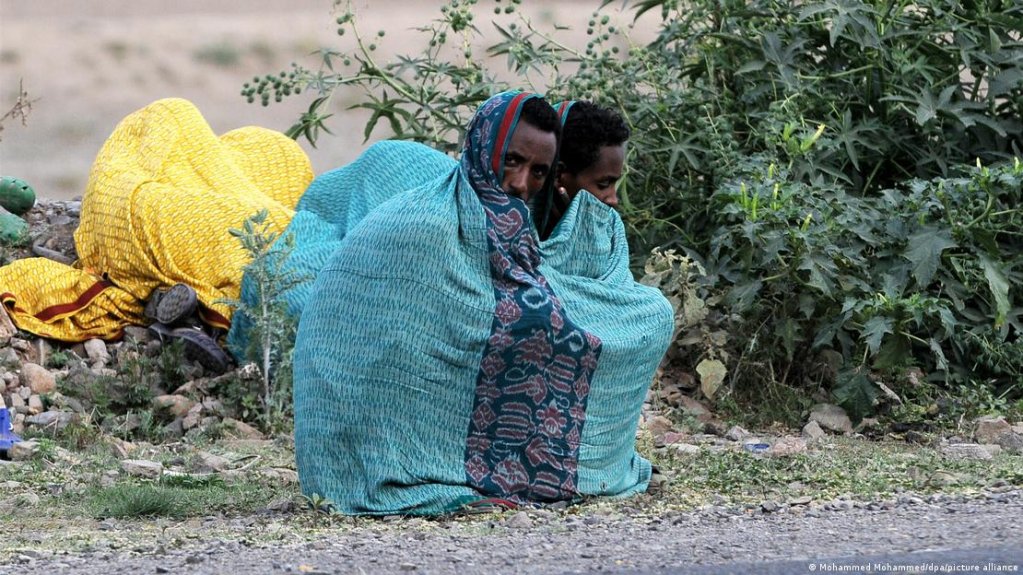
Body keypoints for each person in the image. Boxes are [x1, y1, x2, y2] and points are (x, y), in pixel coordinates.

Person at [291, 91, 674, 515]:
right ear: (481, 147)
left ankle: (559, 469)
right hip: (360, 436)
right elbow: (395, 348)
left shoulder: (513, 229)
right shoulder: (426, 224)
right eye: (512, 161)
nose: (521, 183)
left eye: (538, 171)